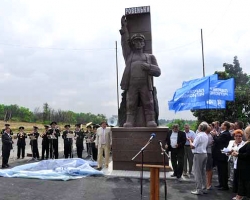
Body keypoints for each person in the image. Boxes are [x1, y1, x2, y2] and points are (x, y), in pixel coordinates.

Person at [119, 15, 161, 127]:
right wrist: (124, 29)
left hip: (145, 84)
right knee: (131, 103)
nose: (138, 43)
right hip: (132, 84)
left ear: (143, 43)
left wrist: (149, 67)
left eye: (140, 41)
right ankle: (129, 121)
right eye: (135, 42)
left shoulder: (150, 57)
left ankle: (150, 120)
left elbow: (158, 71)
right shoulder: (129, 55)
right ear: (132, 44)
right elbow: (124, 43)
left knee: (148, 103)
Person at [188, 122, 209, 195]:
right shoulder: (206, 135)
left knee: (197, 172)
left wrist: (190, 140)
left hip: (198, 154)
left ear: (200, 128)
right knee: (203, 172)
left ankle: (199, 189)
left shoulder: (199, 135)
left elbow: (192, 146)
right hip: (204, 153)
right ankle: (204, 188)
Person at [231, 126, 250, 200]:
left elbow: (248, 155)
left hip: (245, 166)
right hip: (243, 166)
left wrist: (238, 154)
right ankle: (240, 195)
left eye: (246, 133)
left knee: (244, 181)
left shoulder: (248, 143)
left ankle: (240, 195)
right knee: (242, 181)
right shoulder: (247, 142)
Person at [212, 121, 232, 190]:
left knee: (223, 171)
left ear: (225, 126)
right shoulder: (223, 133)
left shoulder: (226, 134)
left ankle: (224, 185)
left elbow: (218, 141)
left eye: (223, 124)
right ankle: (221, 184)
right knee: (220, 170)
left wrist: (214, 135)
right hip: (219, 155)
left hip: (222, 155)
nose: (221, 125)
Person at [227, 129, 245, 198]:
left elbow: (238, 151)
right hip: (231, 160)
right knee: (231, 175)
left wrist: (234, 146)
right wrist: (227, 152)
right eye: (236, 136)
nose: (238, 137)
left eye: (240, 136)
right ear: (234, 136)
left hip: (238, 162)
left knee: (237, 177)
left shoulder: (243, 143)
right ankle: (235, 190)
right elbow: (228, 150)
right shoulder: (231, 142)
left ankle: (239, 193)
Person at [206, 124, 214, 190]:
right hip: (207, 152)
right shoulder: (208, 135)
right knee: (207, 169)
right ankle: (208, 183)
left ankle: (209, 183)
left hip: (208, 153)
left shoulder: (208, 136)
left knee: (208, 169)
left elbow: (206, 145)